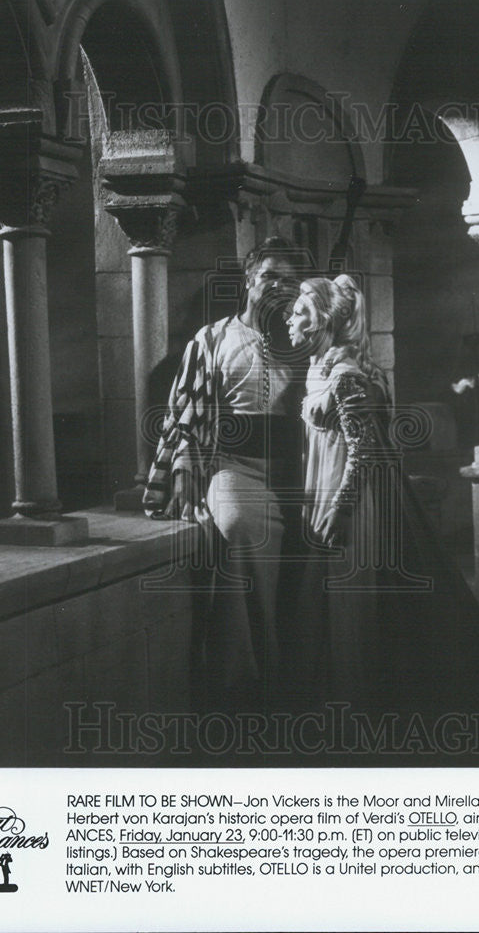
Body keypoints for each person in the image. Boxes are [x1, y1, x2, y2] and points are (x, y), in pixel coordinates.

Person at [286, 274, 479, 708]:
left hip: (349, 495)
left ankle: (358, 705)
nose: (290, 320)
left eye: (299, 314)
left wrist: (342, 509)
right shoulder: (317, 368)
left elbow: (363, 452)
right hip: (321, 483)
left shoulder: (345, 375)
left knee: (348, 595)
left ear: (322, 322)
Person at [143, 236, 306, 710]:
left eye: (290, 282)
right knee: (238, 530)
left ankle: (300, 679)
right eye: (271, 276)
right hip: (235, 469)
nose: (280, 287)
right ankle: (248, 682)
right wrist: (186, 472)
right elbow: (184, 416)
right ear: (250, 280)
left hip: (295, 475)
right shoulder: (212, 339)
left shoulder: (303, 338)